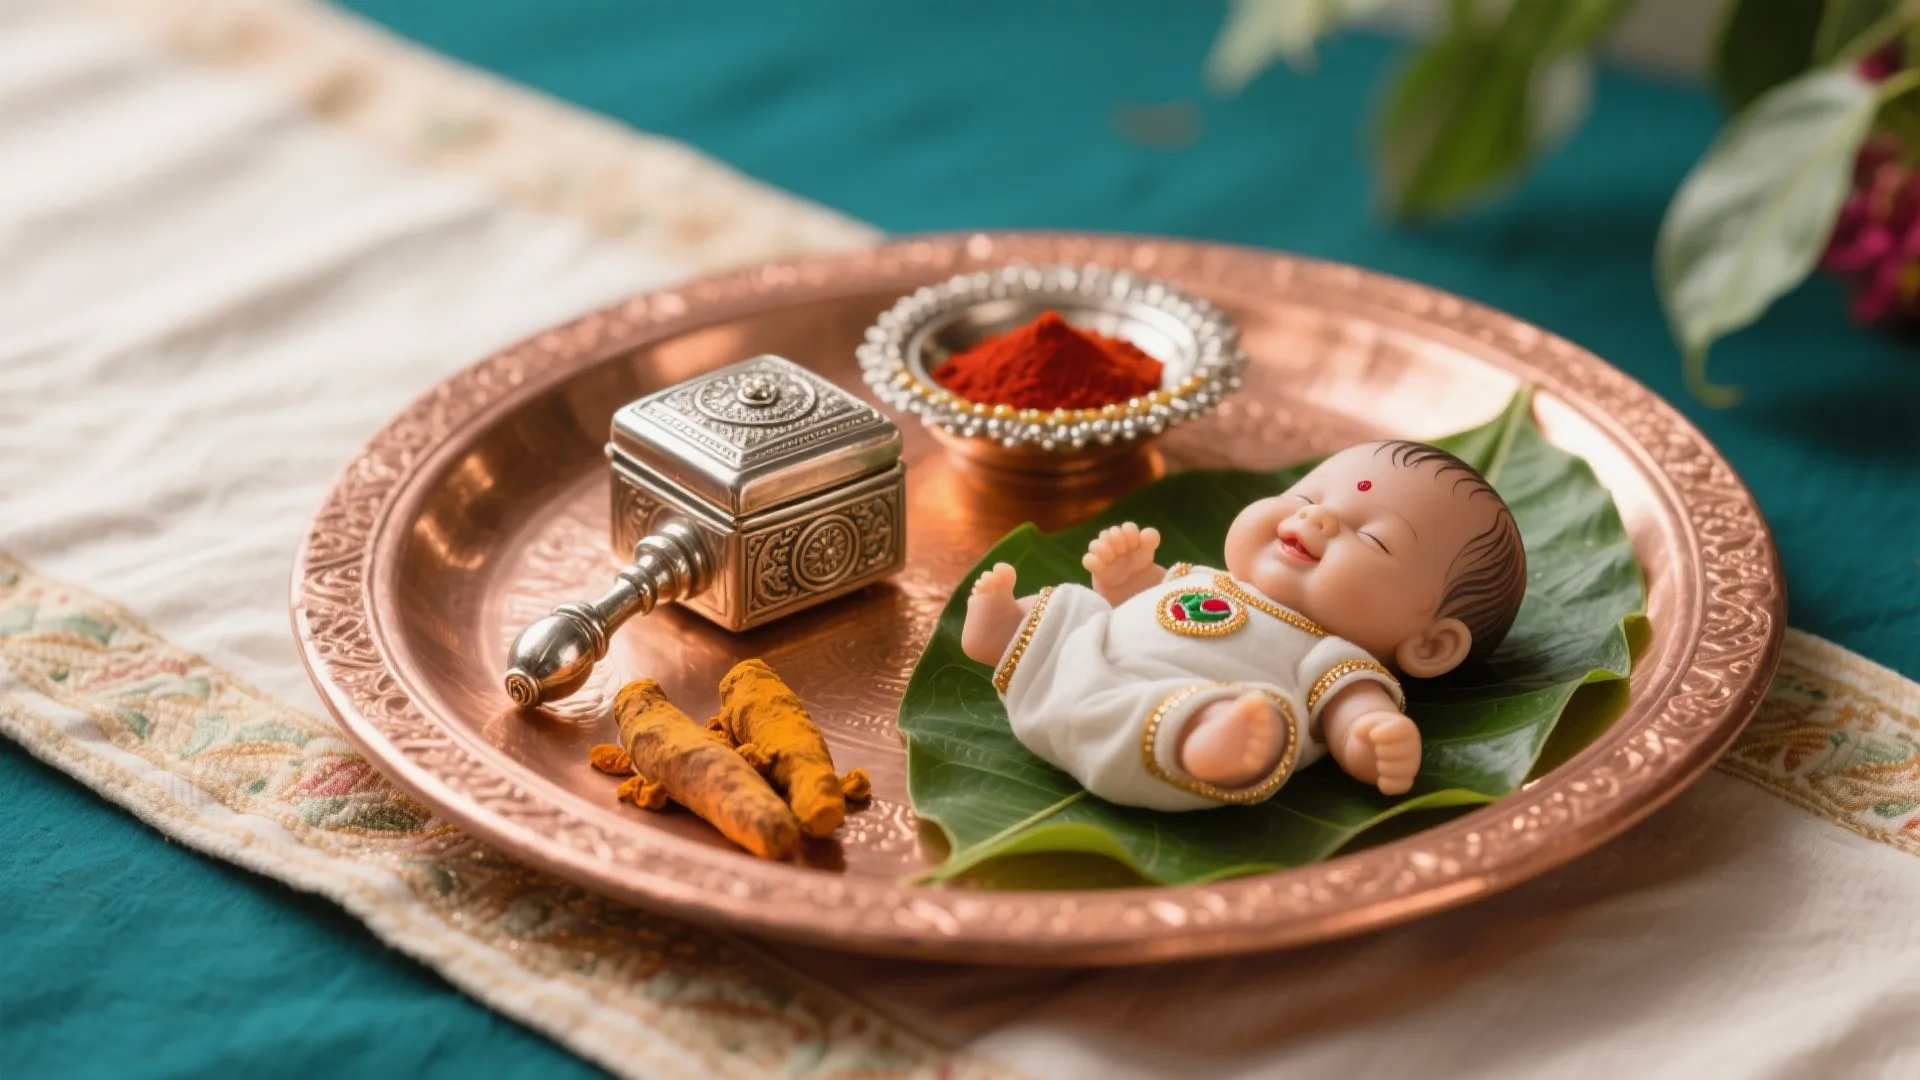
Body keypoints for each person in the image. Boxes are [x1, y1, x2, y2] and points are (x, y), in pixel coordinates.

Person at [960, 441, 1526, 810]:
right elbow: (1144, 604)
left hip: (1157, 720)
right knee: (1075, 609)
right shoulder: (1207, 577)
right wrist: (1128, 579)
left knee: (1263, 718)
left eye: (1375, 539)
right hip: (1076, 675)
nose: (1315, 516)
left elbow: (1353, 713)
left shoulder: (1331, 655)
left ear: (1431, 644)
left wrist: (1370, 739)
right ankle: (1008, 633)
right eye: (1303, 495)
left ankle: (1212, 745)